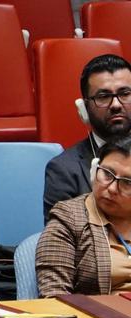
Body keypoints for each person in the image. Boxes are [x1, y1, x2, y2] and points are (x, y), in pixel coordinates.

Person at [37, 137, 131, 297]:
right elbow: (54, 295)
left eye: (127, 182)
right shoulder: (68, 218)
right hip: (100, 312)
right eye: (107, 174)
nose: (112, 188)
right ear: (94, 171)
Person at [43, 54, 131, 222]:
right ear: (84, 108)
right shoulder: (64, 170)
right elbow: (59, 235)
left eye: (125, 93)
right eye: (103, 97)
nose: (116, 105)